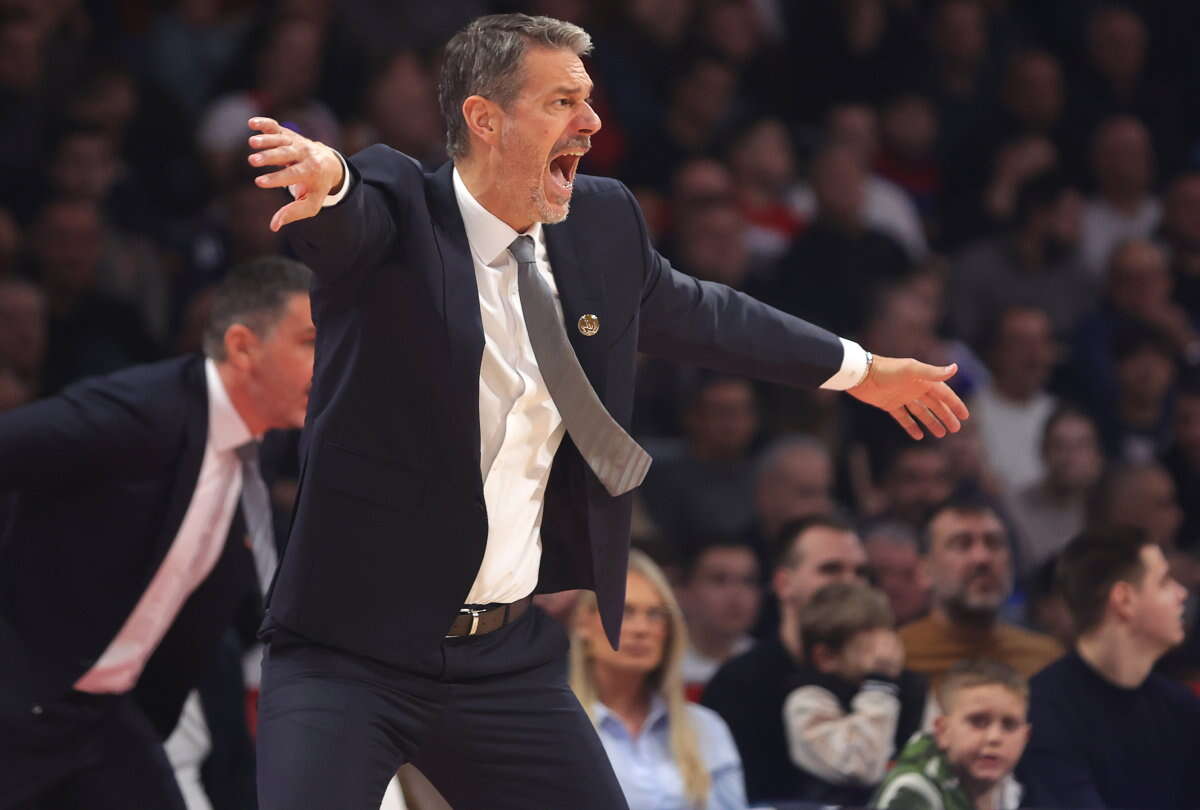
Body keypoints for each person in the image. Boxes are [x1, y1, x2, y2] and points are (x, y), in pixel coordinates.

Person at [246, 14, 969, 809]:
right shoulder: (400, 209)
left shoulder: (600, 222)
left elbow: (706, 315)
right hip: (348, 651)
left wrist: (862, 371)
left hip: (498, 658)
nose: (591, 123)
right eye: (562, 102)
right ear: (485, 118)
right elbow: (351, 215)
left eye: (588, 100)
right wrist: (329, 184)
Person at [0, 256, 315, 809]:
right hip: (22, 696)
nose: (333, 362)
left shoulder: (259, 445)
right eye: (311, 342)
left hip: (105, 718)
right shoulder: (141, 413)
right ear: (243, 347)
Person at [1018, 527, 1200, 809]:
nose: (1182, 593)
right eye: (1164, 582)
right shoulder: (1041, 710)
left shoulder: (1180, 707)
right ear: (1124, 599)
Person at [702, 517, 871, 804]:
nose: (850, 584)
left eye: (860, 572)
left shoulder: (887, 681)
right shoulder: (737, 685)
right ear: (784, 584)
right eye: (831, 569)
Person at [570, 549, 747, 810]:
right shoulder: (558, 727)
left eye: (654, 614)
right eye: (624, 612)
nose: (642, 629)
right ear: (583, 623)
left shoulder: (706, 727)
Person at [783, 582, 925, 806]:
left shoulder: (910, 689)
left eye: (888, 638)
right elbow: (861, 767)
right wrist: (879, 687)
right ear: (826, 657)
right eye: (869, 646)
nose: (887, 652)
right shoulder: (806, 703)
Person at [899, 494, 1062, 684]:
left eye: (994, 543)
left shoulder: (1047, 659)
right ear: (925, 570)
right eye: (962, 544)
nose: (982, 558)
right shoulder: (898, 657)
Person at [871, 659, 1029, 810]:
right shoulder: (911, 790)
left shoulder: (1009, 788)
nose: (994, 737)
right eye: (978, 721)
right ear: (942, 731)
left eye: (1009, 725)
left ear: (1025, 737)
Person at [675, 538, 761, 698]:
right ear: (683, 591)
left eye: (748, 581)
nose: (736, 594)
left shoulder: (767, 667)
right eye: (719, 579)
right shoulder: (661, 664)